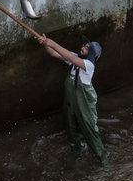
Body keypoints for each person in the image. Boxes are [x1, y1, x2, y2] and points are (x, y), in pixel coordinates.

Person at [37, 34, 108, 167]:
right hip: (71, 99)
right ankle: (76, 150)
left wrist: (52, 42)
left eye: (87, 49)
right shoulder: (75, 58)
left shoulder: (88, 65)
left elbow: (69, 57)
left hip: (84, 100)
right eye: (84, 46)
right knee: (70, 123)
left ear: (92, 55)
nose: (83, 48)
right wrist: (46, 44)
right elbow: (53, 53)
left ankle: (102, 159)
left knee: (89, 127)